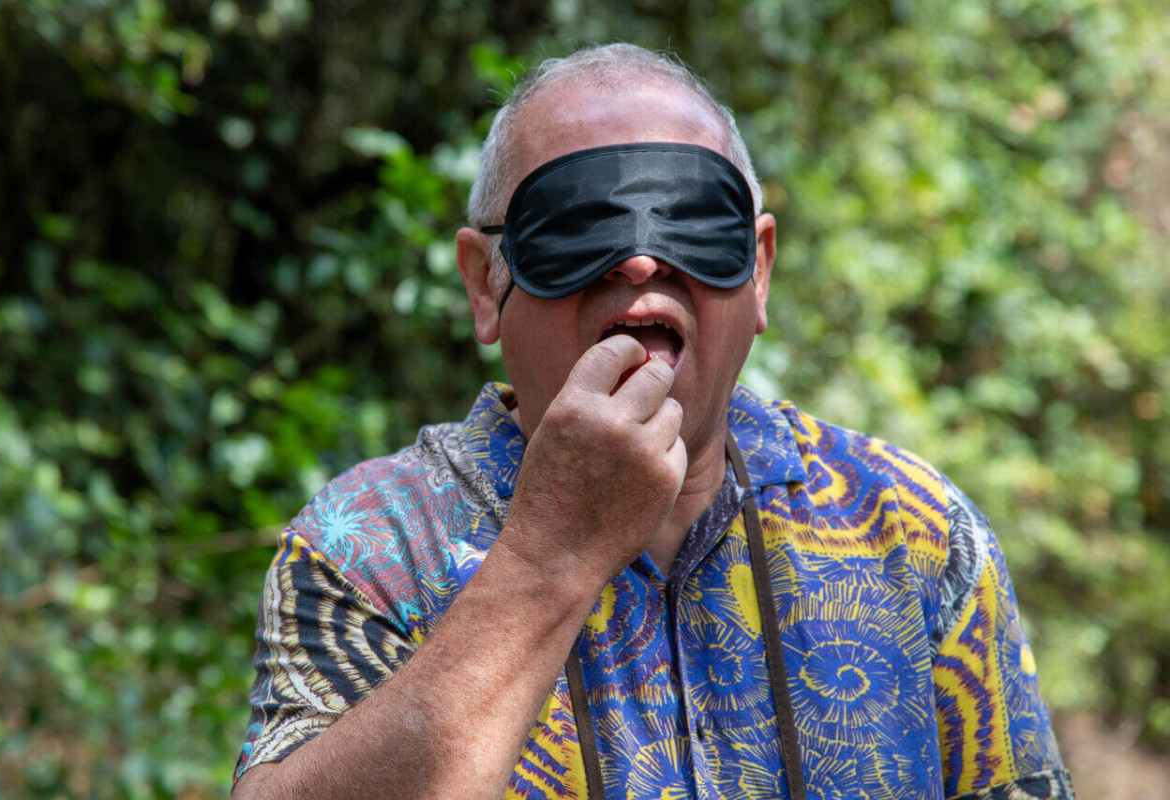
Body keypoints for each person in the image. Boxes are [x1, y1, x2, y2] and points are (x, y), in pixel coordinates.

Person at [232, 43, 1074, 800]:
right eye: (574, 223)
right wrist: (550, 555)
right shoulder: (367, 546)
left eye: (692, 219)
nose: (638, 259)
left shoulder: (914, 532)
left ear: (760, 271)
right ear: (486, 285)